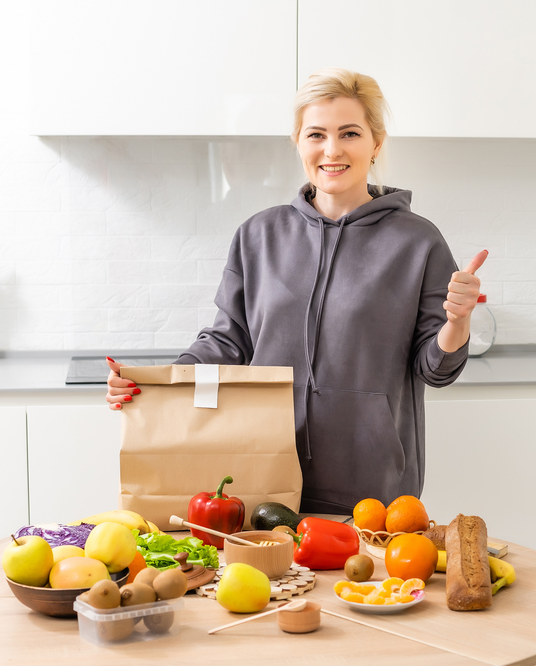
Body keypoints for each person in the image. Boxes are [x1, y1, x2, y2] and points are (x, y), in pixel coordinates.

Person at [106, 68, 487, 514]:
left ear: (376, 143)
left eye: (349, 133)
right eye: (316, 134)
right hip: (263, 477)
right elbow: (228, 341)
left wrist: (457, 324)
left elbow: (435, 369)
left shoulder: (418, 242)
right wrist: (157, 385)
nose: (332, 150)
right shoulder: (258, 235)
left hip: (371, 487)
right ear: (298, 142)